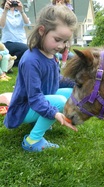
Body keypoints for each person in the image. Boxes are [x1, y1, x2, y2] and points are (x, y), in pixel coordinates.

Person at [4, 5, 78, 152]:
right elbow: (35, 97)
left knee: (73, 93)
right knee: (59, 103)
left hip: (39, 101)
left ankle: (42, 119)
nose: (60, 46)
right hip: (24, 109)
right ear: (42, 31)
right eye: (57, 39)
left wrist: (79, 83)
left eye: (64, 41)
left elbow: (56, 79)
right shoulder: (31, 60)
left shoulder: (51, 54)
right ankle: (32, 140)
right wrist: (54, 113)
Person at [0, 0, 30, 68]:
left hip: (22, 41)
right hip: (8, 42)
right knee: (26, 49)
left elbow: (27, 23)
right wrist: (5, 11)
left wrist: (21, 11)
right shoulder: (1, 11)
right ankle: (12, 61)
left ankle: (9, 61)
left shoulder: (19, 11)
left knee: (30, 50)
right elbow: (1, 25)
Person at [52, 0, 74, 68]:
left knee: (66, 46)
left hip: (66, 28)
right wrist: (57, 7)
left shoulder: (69, 7)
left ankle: (64, 62)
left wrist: (62, 7)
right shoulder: (52, 7)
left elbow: (70, 17)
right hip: (56, 29)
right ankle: (56, 60)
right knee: (55, 45)